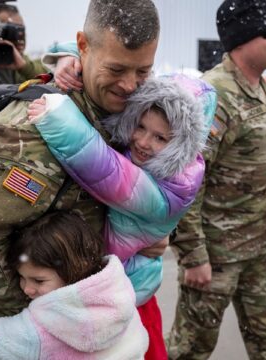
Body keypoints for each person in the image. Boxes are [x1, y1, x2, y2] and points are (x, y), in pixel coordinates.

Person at [0, 0, 167, 357]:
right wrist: (41, 324)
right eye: (117, 69)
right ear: (84, 47)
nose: (131, 85)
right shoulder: (30, 136)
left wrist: (151, 231)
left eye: (143, 72)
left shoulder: (122, 119)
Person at [28, 74, 216, 360]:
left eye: (160, 137)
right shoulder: (152, 158)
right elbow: (106, 55)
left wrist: (58, 117)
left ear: (183, 145)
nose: (142, 141)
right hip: (116, 283)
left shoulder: (174, 184)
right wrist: (70, 60)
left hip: (126, 294)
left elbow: (106, 169)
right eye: (140, 126)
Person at [165, 1, 266, 359]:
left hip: (258, 248)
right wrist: (193, 255)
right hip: (217, 256)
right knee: (189, 349)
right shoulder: (214, 95)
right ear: (242, 39)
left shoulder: (257, 86)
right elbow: (184, 179)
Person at [0, 211, 149, 360]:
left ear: (74, 269)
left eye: (39, 280)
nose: (27, 289)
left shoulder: (36, 334)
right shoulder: (121, 299)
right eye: (21, 277)